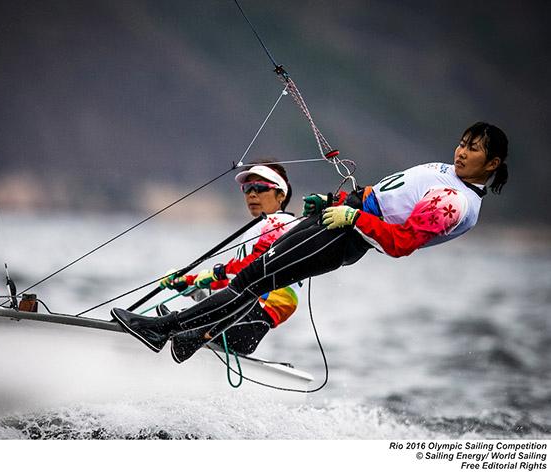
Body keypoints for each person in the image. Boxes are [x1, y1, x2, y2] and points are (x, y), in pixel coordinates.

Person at [112, 121, 509, 363]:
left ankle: (163, 329)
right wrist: (339, 202)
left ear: (491, 164)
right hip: (341, 217)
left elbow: (400, 242)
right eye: (462, 142)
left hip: (344, 235)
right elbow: (391, 196)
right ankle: (188, 342)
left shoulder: (454, 202)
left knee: (250, 280)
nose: (461, 152)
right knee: (254, 275)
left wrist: (353, 217)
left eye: (473, 149)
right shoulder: (452, 177)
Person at [156, 161, 302, 362]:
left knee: (168, 323)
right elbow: (234, 281)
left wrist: (214, 273)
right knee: (172, 319)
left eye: (260, 188)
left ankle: (169, 330)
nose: (252, 194)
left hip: (248, 320)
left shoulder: (281, 223)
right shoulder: (259, 228)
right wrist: (186, 283)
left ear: (281, 195)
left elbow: (253, 267)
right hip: (239, 321)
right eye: (247, 189)